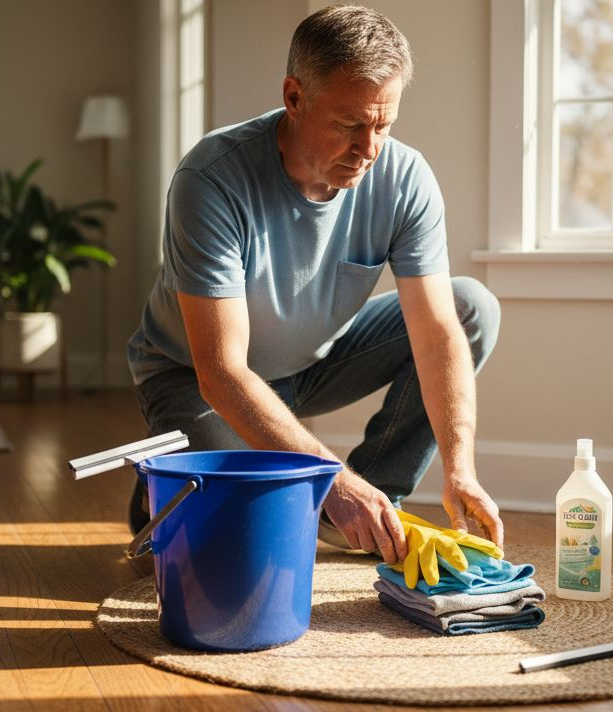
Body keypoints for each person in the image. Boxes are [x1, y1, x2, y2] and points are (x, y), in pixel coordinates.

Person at [126, 4, 502, 564]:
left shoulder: (403, 178)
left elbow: (438, 334)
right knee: (235, 547)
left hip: (312, 365)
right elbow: (223, 372)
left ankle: (369, 502)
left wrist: (460, 468)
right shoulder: (210, 179)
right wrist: (336, 479)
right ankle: (176, 474)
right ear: (294, 97)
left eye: (384, 124)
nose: (369, 148)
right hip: (196, 377)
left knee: (472, 306)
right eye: (350, 124)